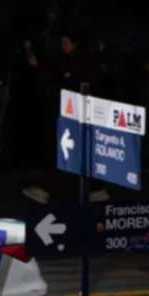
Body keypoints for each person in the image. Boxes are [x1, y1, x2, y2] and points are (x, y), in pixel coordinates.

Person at [23, 27, 109, 203]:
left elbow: (65, 82)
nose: (63, 46)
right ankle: (93, 189)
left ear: (75, 43)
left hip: (80, 115)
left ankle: (93, 189)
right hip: (72, 114)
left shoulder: (82, 62)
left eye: (66, 43)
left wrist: (42, 70)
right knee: (67, 151)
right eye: (62, 43)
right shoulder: (69, 60)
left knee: (70, 151)